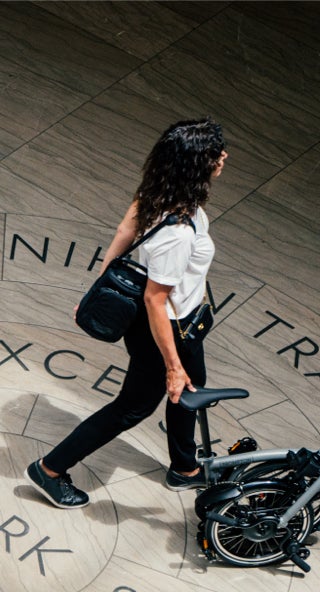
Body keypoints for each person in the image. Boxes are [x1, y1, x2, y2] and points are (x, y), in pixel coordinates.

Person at [24, 117, 228, 508]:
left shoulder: (159, 192)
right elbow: (155, 300)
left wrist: (96, 293)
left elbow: (123, 232)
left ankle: (184, 468)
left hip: (182, 323)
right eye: (216, 152)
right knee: (133, 406)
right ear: (198, 164)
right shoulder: (178, 232)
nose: (224, 156)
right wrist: (172, 364)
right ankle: (50, 470)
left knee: (190, 389)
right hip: (165, 328)